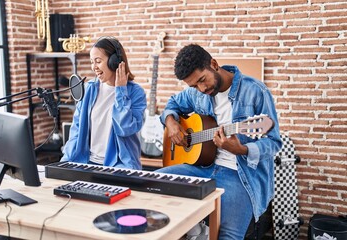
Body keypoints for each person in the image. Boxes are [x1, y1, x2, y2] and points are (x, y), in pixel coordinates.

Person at [157, 44, 282, 239]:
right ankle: (195, 229)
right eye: (194, 86)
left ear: (213, 64)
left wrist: (242, 149)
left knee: (229, 236)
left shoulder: (256, 91)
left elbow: (274, 143)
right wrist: (171, 122)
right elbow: (172, 103)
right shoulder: (196, 92)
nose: (201, 88)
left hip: (240, 176)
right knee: (151, 183)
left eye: (202, 80)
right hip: (201, 167)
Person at [61, 36, 147, 170]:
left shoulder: (135, 93)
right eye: (91, 62)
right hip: (87, 164)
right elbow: (76, 131)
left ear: (114, 61)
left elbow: (125, 128)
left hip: (120, 167)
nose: (94, 67)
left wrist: (121, 91)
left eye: (98, 61)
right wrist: (62, 165)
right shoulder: (89, 89)